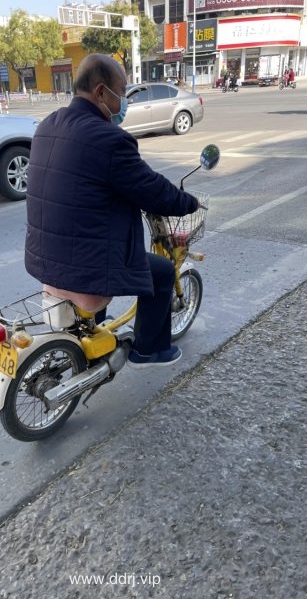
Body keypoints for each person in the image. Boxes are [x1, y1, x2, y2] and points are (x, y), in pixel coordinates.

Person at [25, 53, 200, 368]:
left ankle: (92, 345)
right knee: (160, 273)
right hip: (83, 266)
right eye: (122, 92)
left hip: (44, 257)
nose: (125, 100)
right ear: (101, 92)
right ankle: (149, 350)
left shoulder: (47, 125)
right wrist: (187, 202)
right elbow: (151, 189)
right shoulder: (110, 139)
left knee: (94, 244)